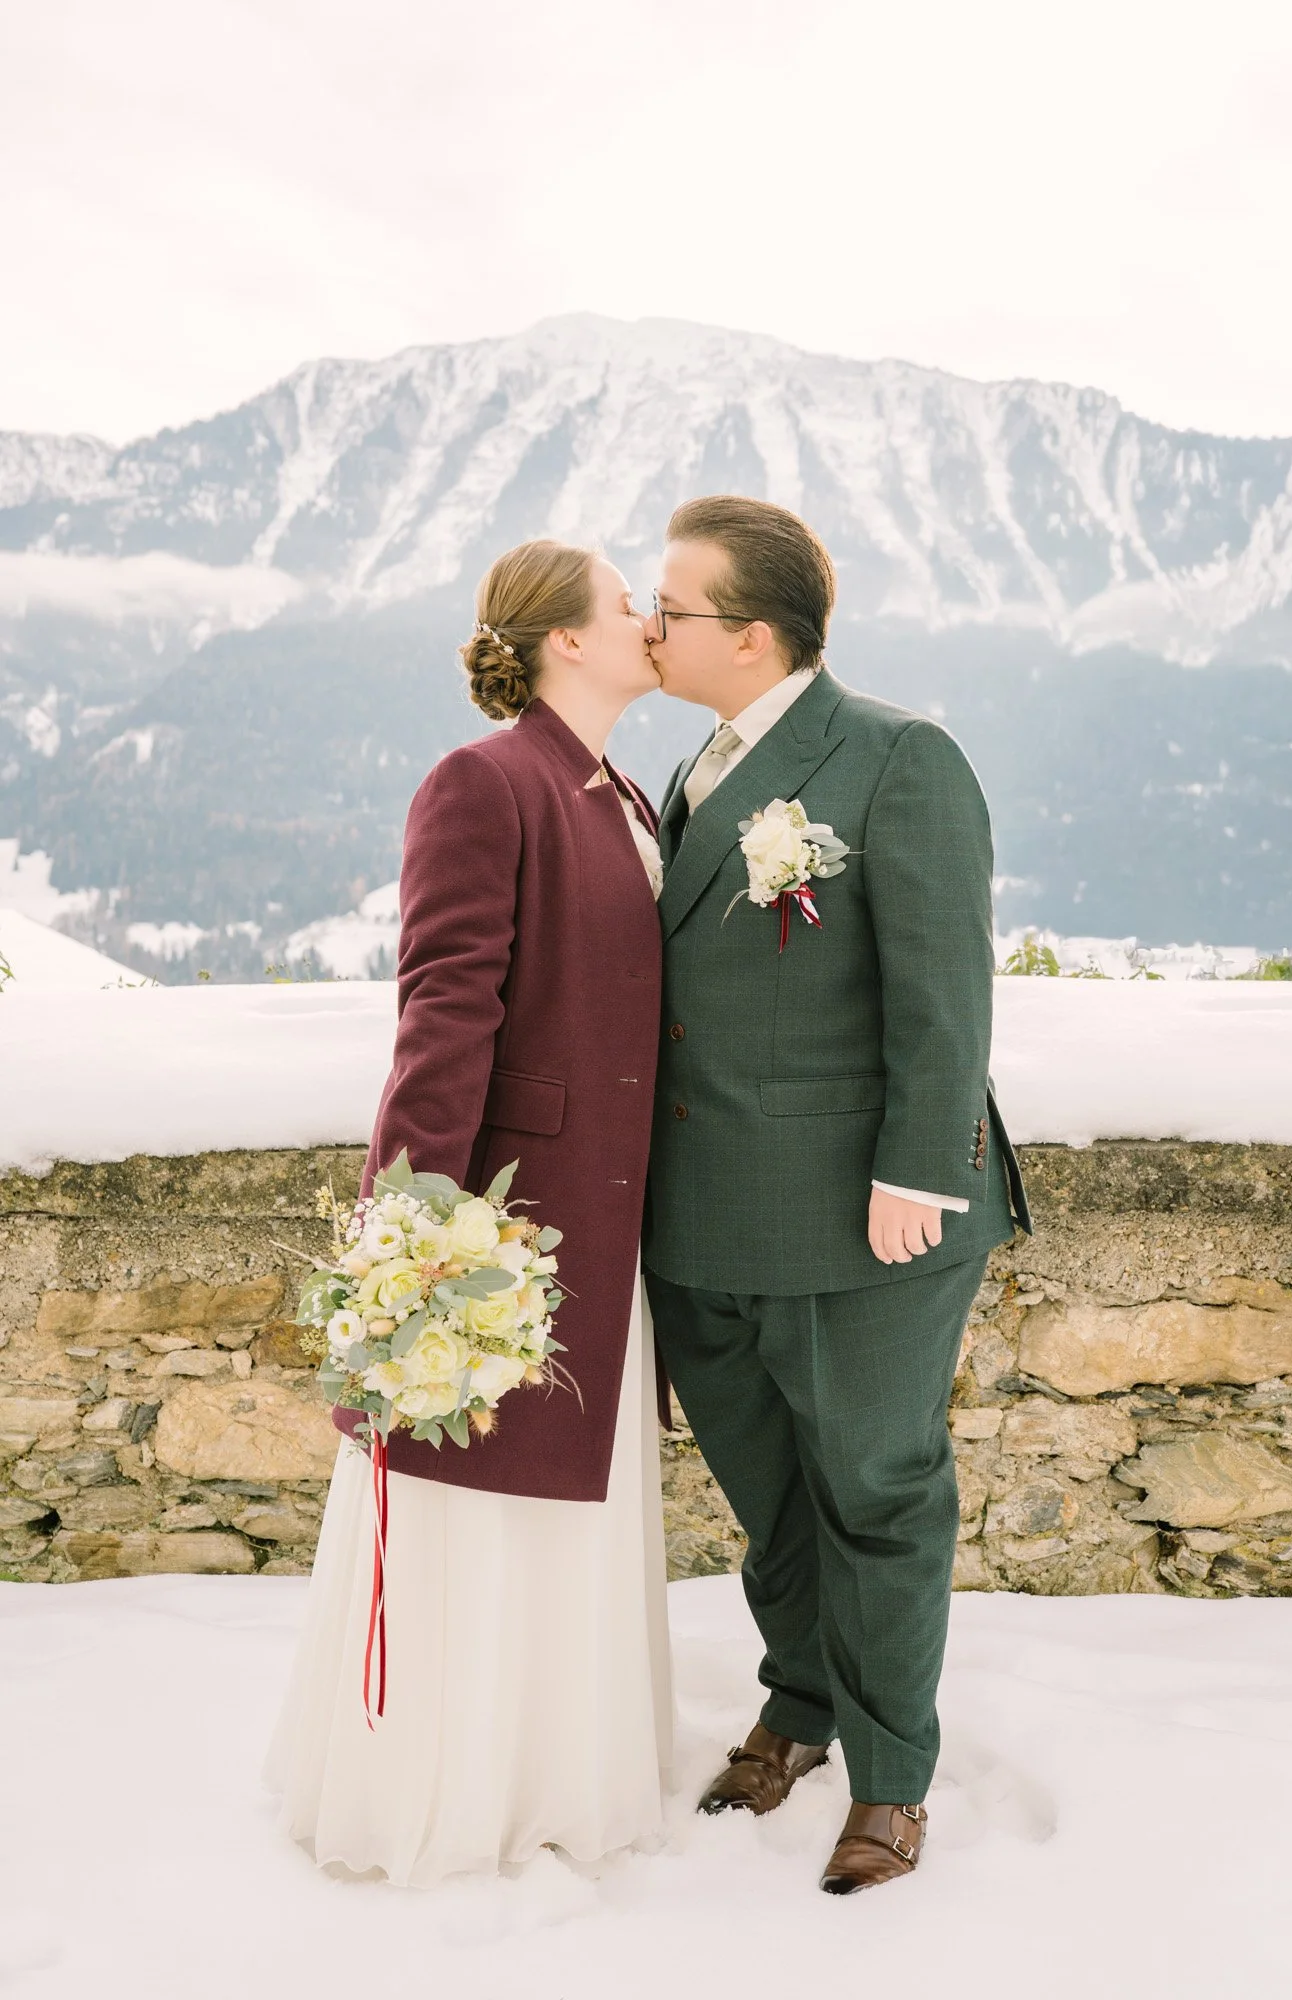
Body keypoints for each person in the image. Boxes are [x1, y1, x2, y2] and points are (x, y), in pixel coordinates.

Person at [265, 540, 674, 1884]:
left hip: (608, 1232)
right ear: (565, 639)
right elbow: (444, 1014)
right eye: (629, 604)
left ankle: (552, 1772)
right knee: (475, 1516)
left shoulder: (620, 792)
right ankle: (444, 1794)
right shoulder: (485, 782)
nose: (651, 616)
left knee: (566, 1526)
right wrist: (413, 1239)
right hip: (510, 1235)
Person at [642, 495, 1031, 1895]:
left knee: (877, 1493)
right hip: (702, 1221)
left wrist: (918, 1173)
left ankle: (892, 1780)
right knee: (775, 1502)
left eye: (670, 607)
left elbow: (945, 998)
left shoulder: (896, 759)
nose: (647, 623)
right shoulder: (694, 768)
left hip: (871, 1220)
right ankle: (798, 1705)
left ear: (748, 635)